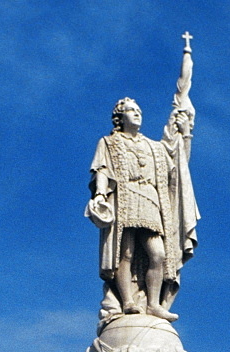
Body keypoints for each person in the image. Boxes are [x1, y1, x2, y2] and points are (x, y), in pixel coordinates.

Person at [85, 41, 199, 325]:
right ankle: (127, 302)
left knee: (158, 254)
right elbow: (102, 170)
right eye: (131, 110)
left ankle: (154, 303)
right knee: (125, 252)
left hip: (151, 201)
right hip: (125, 199)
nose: (138, 113)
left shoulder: (154, 147)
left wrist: (184, 130)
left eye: (138, 110)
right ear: (119, 117)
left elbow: (177, 159)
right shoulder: (110, 142)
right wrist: (100, 195)